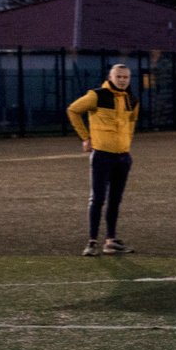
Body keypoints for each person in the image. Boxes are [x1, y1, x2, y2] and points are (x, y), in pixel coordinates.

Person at [65, 62, 141, 256]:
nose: (122, 80)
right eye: (119, 77)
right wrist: (85, 138)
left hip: (123, 157)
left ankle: (111, 241)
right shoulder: (97, 95)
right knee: (98, 199)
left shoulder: (132, 99)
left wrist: (126, 145)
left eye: (126, 77)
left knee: (115, 200)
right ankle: (91, 242)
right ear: (110, 78)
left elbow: (131, 123)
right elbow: (73, 110)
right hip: (102, 156)